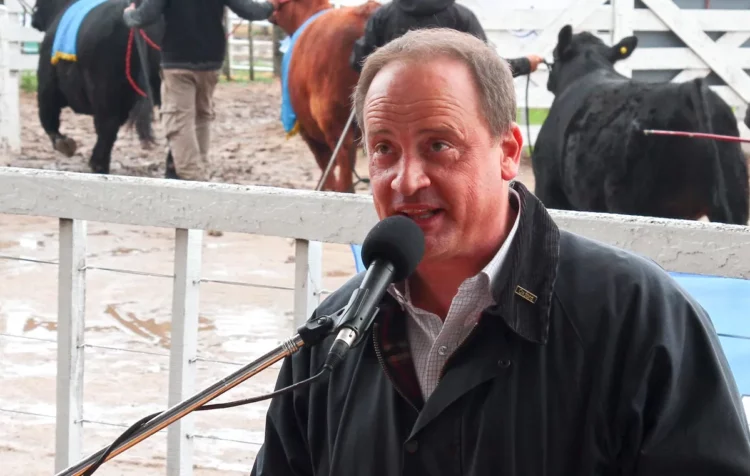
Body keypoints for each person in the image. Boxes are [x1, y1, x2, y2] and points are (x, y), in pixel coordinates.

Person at [251, 28, 750, 475]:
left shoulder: (641, 317)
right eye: (383, 148)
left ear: (509, 151)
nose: (406, 179)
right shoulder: (331, 337)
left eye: (438, 144)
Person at [122, 0, 275, 181]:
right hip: (211, 62)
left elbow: (144, 17)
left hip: (178, 62)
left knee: (179, 120)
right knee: (201, 117)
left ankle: (192, 176)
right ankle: (200, 169)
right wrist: (272, 5)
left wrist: (128, 13)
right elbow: (252, 11)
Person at [349, 0, 543, 77]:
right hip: (450, 109)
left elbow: (360, 61)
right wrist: (525, 63)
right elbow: (489, 69)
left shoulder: (383, 16)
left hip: (396, 105)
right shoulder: (462, 17)